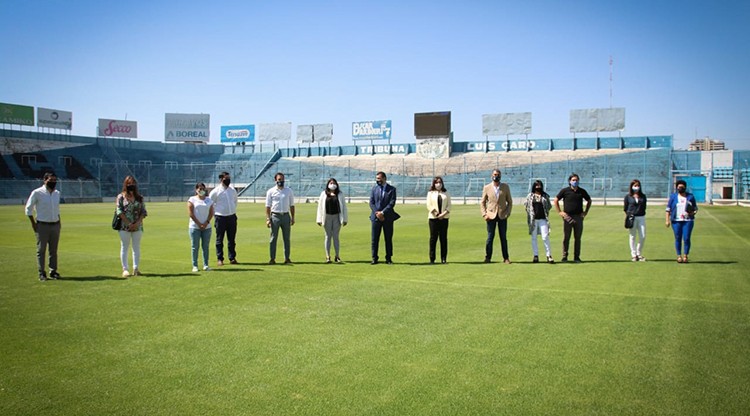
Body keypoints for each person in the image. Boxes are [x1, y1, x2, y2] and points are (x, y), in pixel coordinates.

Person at [25, 172, 62, 281]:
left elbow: (56, 209)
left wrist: (59, 222)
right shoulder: (37, 193)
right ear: (45, 180)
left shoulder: (57, 193)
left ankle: (53, 271)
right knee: (41, 250)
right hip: (42, 225)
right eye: (50, 180)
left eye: (54, 180)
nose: (53, 182)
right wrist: (33, 224)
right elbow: (28, 209)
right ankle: (41, 272)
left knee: (53, 250)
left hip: (55, 224)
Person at [554, 173, 591, 263]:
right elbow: (556, 200)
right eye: (573, 180)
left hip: (578, 217)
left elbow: (589, 200)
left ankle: (576, 257)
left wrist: (585, 212)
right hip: (567, 217)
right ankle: (564, 256)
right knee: (566, 237)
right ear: (570, 181)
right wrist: (560, 212)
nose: (575, 181)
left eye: (576, 180)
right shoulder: (565, 191)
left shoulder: (582, 191)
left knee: (577, 238)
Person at [116, 175, 147, 277]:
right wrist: (129, 223)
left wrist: (137, 223)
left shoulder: (140, 198)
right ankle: (125, 269)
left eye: (133, 183)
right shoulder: (121, 197)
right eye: (129, 183)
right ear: (125, 184)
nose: (131, 185)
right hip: (124, 227)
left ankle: (136, 268)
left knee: (136, 247)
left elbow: (143, 212)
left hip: (138, 226)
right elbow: (119, 211)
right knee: (124, 247)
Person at [481, 169, 513, 264]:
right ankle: (488, 257)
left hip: (502, 215)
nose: (496, 176)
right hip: (490, 215)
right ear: (491, 176)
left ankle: (506, 258)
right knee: (490, 237)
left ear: (500, 176)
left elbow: (510, 202)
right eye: (495, 174)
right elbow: (482, 202)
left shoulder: (505, 187)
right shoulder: (487, 187)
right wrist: (484, 214)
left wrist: (508, 213)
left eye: (498, 174)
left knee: (503, 237)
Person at [369, 171, 400, 264]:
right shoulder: (374, 189)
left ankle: (388, 258)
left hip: (388, 217)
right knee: (374, 239)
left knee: (388, 239)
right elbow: (371, 202)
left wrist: (382, 213)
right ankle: (374, 258)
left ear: (384, 178)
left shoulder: (392, 189)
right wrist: (377, 213)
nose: (377, 180)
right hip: (375, 217)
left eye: (379, 178)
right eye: (376, 178)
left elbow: (392, 203)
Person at [209, 171, 238, 266]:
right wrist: (216, 214)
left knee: (232, 239)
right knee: (219, 239)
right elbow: (210, 204)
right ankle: (220, 258)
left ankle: (232, 257)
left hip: (231, 217)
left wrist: (231, 211)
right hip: (220, 218)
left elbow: (235, 201)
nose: (228, 180)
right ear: (221, 179)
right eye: (226, 178)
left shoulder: (232, 190)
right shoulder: (215, 191)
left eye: (229, 178)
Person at [316, 178, 348, 263]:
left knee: (336, 236)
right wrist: (319, 219)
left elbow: (344, 207)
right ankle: (328, 256)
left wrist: (345, 219)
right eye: (331, 183)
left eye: (334, 183)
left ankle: (337, 256)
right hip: (327, 217)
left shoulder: (340, 194)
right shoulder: (323, 194)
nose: (332, 184)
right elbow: (320, 207)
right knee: (328, 236)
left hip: (337, 217)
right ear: (328, 184)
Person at [265, 172, 295, 264]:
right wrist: (268, 219)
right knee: (273, 238)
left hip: (285, 215)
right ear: (275, 180)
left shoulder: (288, 191)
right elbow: (268, 206)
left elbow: (292, 205)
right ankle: (272, 258)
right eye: (279, 179)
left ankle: (287, 258)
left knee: (287, 238)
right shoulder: (271, 191)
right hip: (275, 216)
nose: (281, 181)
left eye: (282, 179)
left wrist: (293, 217)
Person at [665, 179, 698, 263]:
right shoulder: (673, 197)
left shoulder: (690, 197)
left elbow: (695, 208)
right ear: (676, 188)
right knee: (678, 237)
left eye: (682, 187)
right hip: (676, 221)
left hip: (688, 220)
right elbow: (668, 209)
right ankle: (679, 255)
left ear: (685, 187)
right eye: (679, 187)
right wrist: (667, 220)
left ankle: (685, 255)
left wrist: (692, 212)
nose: (680, 188)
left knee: (686, 238)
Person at [524, 180, 554, 264]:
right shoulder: (530, 196)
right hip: (533, 220)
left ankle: (549, 255)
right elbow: (526, 206)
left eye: (539, 185)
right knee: (534, 238)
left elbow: (549, 206)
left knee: (545, 237)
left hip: (543, 219)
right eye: (536, 185)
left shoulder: (545, 196)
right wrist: (530, 214)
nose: (538, 187)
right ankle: (535, 255)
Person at [188, 182, 214, 272]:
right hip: (195, 227)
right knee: (195, 247)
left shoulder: (208, 200)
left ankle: (206, 265)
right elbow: (191, 213)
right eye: (200, 189)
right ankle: (195, 265)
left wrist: (206, 223)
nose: (201, 190)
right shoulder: (192, 199)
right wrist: (199, 224)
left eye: (203, 189)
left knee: (205, 246)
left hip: (207, 227)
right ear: (196, 190)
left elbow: (211, 212)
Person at [426, 176, 451, 264]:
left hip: (444, 218)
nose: (438, 184)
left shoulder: (446, 193)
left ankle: (443, 258)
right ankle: (432, 258)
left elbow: (449, 205)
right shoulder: (430, 193)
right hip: (433, 218)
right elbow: (429, 205)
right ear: (434, 184)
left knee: (443, 238)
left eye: (440, 182)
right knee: (433, 238)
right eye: (436, 182)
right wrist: (436, 214)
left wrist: (443, 214)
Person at [624, 179, 647, 262]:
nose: (636, 187)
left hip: (641, 217)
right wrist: (629, 215)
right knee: (632, 236)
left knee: (642, 236)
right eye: (635, 185)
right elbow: (625, 208)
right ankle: (634, 254)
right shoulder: (628, 196)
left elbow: (644, 206)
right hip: (632, 217)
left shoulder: (643, 196)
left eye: (638, 185)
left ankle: (639, 252)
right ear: (631, 186)